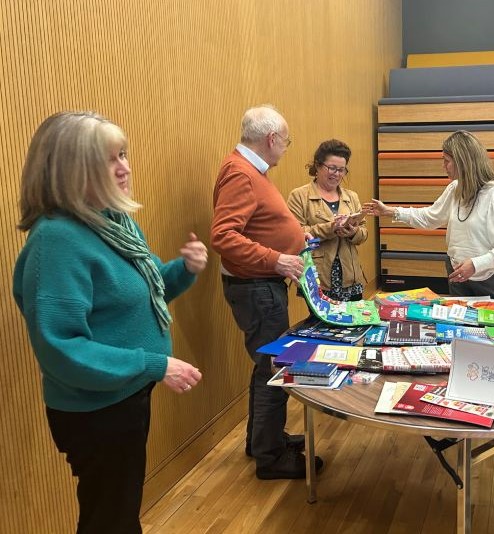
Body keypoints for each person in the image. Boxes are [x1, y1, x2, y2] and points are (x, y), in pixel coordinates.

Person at [12, 111, 207, 534]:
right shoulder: (57, 240)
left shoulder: (112, 222)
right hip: (96, 410)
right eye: (109, 159)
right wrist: (154, 364)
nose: (125, 167)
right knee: (110, 517)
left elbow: (143, 293)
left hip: (126, 395)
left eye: (123, 154)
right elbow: (62, 348)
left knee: (118, 510)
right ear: (70, 171)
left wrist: (183, 270)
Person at [210, 104, 323, 480]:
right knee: (274, 367)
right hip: (256, 287)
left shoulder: (249, 171)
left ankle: (262, 439)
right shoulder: (241, 174)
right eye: (286, 141)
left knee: (265, 366)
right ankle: (270, 457)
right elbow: (223, 237)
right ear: (272, 138)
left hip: (261, 284)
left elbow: (259, 223)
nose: (286, 148)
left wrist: (294, 236)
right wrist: (277, 259)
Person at [363, 130, 494, 299]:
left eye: (447, 161)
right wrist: (390, 211)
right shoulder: (455, 188)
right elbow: (430, 218)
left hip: (490, 282)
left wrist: (476, 265)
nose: (443, 166)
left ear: (463, 162)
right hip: (457, 276)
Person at [287, 139, 367, 301]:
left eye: (341, 170)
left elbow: (364, 233)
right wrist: (331, 228)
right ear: (317, 166)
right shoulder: (299, 196)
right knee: (321, 325)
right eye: (332, 168)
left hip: (350, 276)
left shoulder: (351, 196)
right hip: (318, 277)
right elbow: (295, 234)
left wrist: (353, 232)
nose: (336, 174)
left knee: (354, 323)